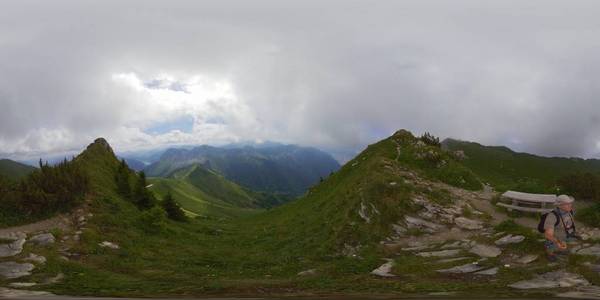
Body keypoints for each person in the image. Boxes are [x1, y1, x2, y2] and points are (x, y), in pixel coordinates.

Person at [542, 194, 579, 261]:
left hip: (566, 234)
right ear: (559, 205)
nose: (570, 205)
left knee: (573, 241)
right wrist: (558, 241)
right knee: (550, 242)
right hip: (556, 237)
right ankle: (550, 254)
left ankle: (559, 249)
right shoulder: (552, 216)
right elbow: (548, 235)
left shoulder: (570, 211)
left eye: (570, 203)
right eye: (566, 204)